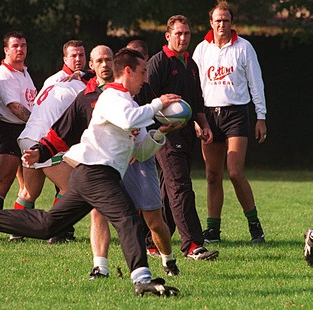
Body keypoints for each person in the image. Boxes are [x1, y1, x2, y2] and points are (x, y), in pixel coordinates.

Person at [0, 48, 181, 297]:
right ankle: (142, 280)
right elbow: (128, 120)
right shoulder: (113, 98)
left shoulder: (129, 103)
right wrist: (159, 104)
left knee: (48, 225)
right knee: (128, 219)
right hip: (97, 174)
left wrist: (160, 133)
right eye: (142, 72)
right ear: (127, 72)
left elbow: (142, 151)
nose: (145, 78)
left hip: (90, 176)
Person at [26, 43, 179, 279]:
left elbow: (142, 136)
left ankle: (167, 260)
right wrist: (41, 151)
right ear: (92, 66)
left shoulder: (139, 89)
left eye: (108, 59)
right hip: (102, 169)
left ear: (116, 64)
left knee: (152, 219)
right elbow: (63, 131)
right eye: (99, 61)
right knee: (103, 213)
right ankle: (102, 267)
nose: (104, 64)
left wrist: (161, 131)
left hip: (135, 161)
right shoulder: (87, 96)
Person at [193, 1, 267, 243]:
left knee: (235, 172)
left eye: (226, 20)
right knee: (213, 175)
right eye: (217, 20)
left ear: (231, 22)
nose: (222, 24)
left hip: (236, 114)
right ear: (211, 23)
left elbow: (256, 84)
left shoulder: (244, 48)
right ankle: (213, 230)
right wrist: (196, 117)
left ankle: (254, 225)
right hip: (208, 116)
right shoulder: (202, 48)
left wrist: (261, 117)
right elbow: (194, 86)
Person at [147, 15, 219, 260]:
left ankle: (152, 242)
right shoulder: (158, 63)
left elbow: (197, 100)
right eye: (178, 33)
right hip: (165, 136)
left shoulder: (191, 63)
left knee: (169, 190)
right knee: (181, 188)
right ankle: (192, 245)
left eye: (187, 33)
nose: (183, 38)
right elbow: (145, 100)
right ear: (168, 36)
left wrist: (204, 124)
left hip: (187, 134)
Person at [10, 40, 87, 243]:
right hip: (42, 141)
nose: (78, 59)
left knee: (29, 191)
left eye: (81, 55)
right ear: (65, 59)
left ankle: (16, 232)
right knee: (71, 188)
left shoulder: (52, 79)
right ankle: (56, 231)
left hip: (27, 137)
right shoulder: (79, 86)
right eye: (74, 56)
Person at [0, 31, 37, 240]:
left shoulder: (23, 71)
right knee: (3, 181)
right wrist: (38, 123)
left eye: (23, 45)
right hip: (9, 131)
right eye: (15, 46)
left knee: (27, 185)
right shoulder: (4, 75)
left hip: (25, 130)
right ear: (6, 50)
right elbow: (15, 107)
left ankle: (17, 231)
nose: (20, 49)